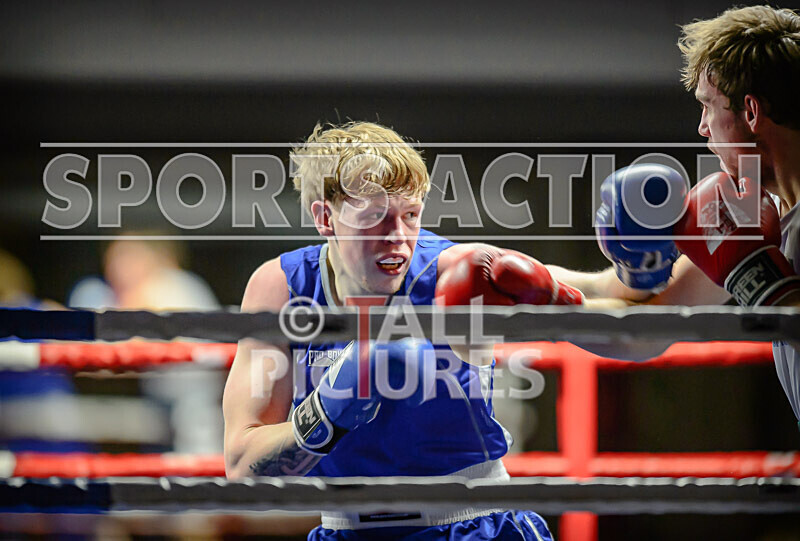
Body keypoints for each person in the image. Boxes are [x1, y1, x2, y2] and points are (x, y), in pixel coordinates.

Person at [222, 121, 619, 540]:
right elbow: (242, 466)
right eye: (375, 217)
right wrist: (323, 414)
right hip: (345, 530)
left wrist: (632, 269)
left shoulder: (456, 273)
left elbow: (604, 294)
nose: (398, 238)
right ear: (325, 217)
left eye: (410, 215)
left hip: (469, 526)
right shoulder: (281, 288)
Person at [556, 6, 800, 428]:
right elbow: (646, 329)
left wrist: (762, 281)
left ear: (752, 112)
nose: (703, 127)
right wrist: (524, 285)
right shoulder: (753, 215)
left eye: (709, 105)